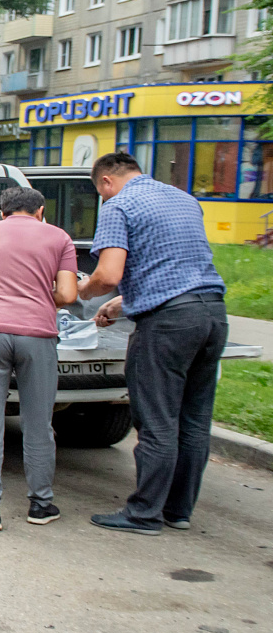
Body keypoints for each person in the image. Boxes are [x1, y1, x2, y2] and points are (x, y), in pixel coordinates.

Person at [78, 151, 227, 535]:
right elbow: (175, 267)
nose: (103, 198)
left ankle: (143, 513)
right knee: (194, 420)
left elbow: (108, 274)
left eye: (100, 192)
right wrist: (123, 303)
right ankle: (178, 511)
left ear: (106, 181)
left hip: (168, 325)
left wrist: (79, 290)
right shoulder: (184, 199)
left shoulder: (119, 204)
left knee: (157, 419)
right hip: (212, 314)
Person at [0, 186, 78, 531]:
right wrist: (40, 295)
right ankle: (41, 505)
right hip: (38, 336)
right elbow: (69, 294)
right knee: (38, 421)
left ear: (3, 213)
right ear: (41, 210)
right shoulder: (59, 238)